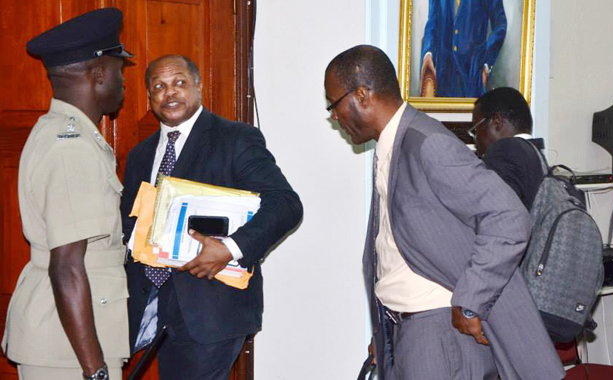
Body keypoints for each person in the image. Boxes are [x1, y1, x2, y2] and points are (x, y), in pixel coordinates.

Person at [324, 45, 564, 380]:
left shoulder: (427, 143)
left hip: (438, 333)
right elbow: (405, 248)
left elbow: (508, 217)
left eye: (334, 105)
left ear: (362, 95)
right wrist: (384, 331)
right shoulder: (393, 144)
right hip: (407, 328)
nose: (334, 116)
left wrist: (470, 300)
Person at [121, 54, 303, 380]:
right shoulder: (140, 155)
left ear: (198, 86)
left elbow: (286, 204)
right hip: (150, 306)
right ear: (149, 97)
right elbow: (130, 226)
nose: (170, 93)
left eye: (179, 83)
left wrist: (230, 248)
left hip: (211, 309)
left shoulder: (235, 139)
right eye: (159, 87)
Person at [1, 8, 133, 380]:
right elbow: (67, 268)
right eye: (120, 71)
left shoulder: (65, 133)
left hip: (68, 340)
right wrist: (95, 372)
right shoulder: (71, 146)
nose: (124, 83)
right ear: (99, 73)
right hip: (70, 352)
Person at [472, 87, 544, 210]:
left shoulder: (503, 154)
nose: (475, 138)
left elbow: (497, 217)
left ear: (496, 122)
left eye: (475, 130)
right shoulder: (536, 153)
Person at [420, 0, 507, 98]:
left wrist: (486, 66)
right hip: (443, 78)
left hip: (473, 78)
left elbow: (500, 25)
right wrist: (428, 54)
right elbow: (432, 20)